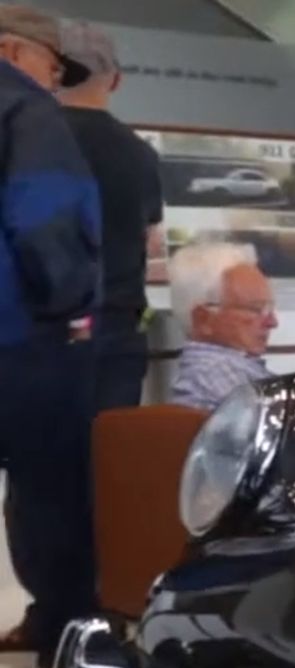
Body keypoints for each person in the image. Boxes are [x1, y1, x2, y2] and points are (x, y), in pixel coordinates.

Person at [0, 4, 101, 668]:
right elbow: (45, 216)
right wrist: (70, 305)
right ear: (14, 48)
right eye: (50, 64)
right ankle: (67, 633)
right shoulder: (25, 112)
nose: (54, 79)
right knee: (48, 483)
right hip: (18, 336)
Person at [59, 20, 161, 413]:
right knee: (110, 458)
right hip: (120, 331)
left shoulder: (31, 139)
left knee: (41, 462)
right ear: (115, 81)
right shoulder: (140, 154)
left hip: (49, 332)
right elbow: (150, 238)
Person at [168, 243, 276, 411]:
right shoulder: (217, 375)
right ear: (203, 319)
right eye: (255, 310)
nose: (272, 322)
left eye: (269, 309)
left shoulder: (226, 374)